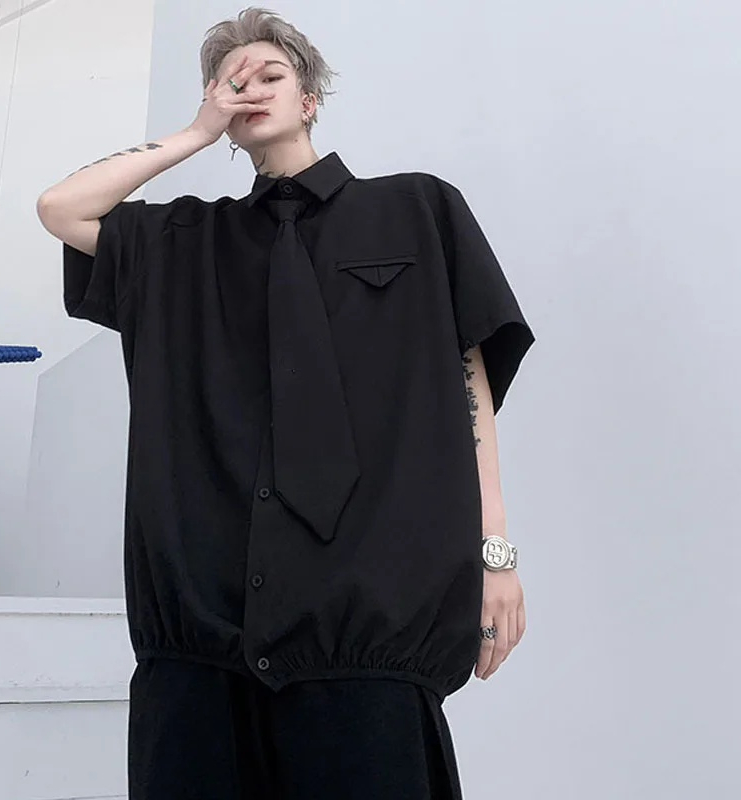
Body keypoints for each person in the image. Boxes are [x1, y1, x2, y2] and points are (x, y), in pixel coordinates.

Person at [36, 7, 535, 799]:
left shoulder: (418, 210)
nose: (251, 90)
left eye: (271, 75)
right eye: (231, 83)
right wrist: (196, 133)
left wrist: (494, 551)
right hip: (205, 642)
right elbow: (62, 210)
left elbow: (465, 376)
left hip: (367, 627)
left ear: (310, 98)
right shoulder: (185, 240)